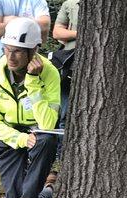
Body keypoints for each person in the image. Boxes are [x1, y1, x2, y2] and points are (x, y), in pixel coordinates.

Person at [0, 18, 60, 198]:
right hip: (9, 136)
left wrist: (33, 83)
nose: (11, 57)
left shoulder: (50, 72)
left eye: (17, 51)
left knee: (47, 140)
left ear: (33, 51)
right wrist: (20, 138)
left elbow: (48, 123)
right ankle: (48, 190)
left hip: (38, 132)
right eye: (7, 49)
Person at [0, 0, 51, 180]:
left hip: (29, 65)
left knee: (29, 115)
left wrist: (10, 21)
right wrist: (28, 23)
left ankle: (26, 167)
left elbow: (45, 27)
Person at [52, 0, 79, 156]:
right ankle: (63, 157)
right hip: (69, 64)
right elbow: (57, 33)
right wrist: (79, 33)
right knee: (66, 113)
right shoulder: (70, 3)